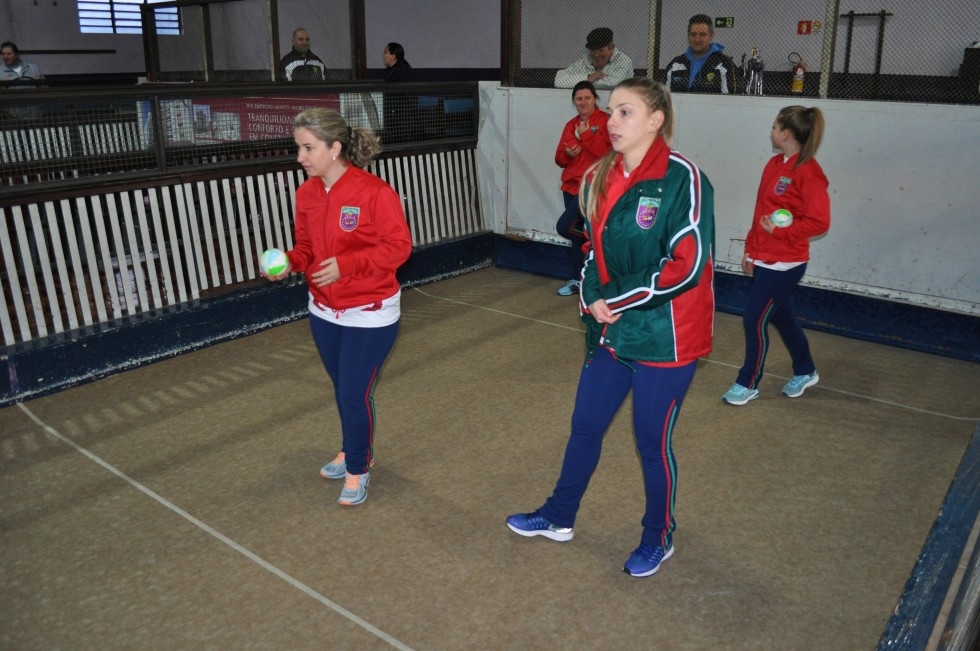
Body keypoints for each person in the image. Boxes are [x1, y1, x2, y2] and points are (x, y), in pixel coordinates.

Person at [507, 78, 715, 578]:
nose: (611, 121)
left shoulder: (684, 178)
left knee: (650, 442)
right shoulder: (603, 174)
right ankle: (559, 516)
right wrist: (589, 292)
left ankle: (657, 536)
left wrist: (613, 299)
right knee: (585, 425)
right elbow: (594, 252)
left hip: (666, 336)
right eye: (612, 112)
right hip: (613, 331)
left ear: (656, 119)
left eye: (624, 112)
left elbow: (686, 264)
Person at [261, 108, 412, 505]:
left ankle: (358, 469)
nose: (300, 157)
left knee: (352, 393)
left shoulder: (376, 193)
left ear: (335, 148)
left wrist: (347, 265)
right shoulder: (306, 193)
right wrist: (291, 264)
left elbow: (399, 248)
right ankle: (354, 447)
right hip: (324, 311)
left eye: (308, 148)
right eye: (299, 148)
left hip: (371, 312)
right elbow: (307, 249)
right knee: (345, 389)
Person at [722, 106, 830, 406]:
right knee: (781, 317)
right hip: (764, 257)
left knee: (753, 319)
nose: (770, 131)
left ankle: (748, 381)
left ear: (786, 133)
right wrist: (750, 249)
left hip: (787, 262)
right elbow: (761, 211)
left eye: (774, 126)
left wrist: (782, 233)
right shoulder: (773, 164)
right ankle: (806, 369)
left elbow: (819, 222)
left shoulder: (809, 172)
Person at [553, 80, 611, 296]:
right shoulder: (570, 125)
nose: (583, 102)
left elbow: (608, 156)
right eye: (579, 99)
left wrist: (586, 136)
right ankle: (579, 280)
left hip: (592, 188)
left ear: (595, 99)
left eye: (587, 97)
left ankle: (598, 244)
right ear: (574, 102)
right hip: (570, 187)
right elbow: (559, 158)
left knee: (563, 227)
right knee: (576, 236)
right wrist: (568, 154)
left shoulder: (606, 122)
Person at [664, 15, 737, 94]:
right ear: (688, 35)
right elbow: (664, 98)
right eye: (693, 34)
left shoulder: (724, 64)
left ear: (711, 35)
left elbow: (732, 99)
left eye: (702, 34)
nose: (697, 39)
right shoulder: (675, 65)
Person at [554, 27, 634, 90]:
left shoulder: (623, 61)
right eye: (593, 50)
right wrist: (588, 78)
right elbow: (559, 80)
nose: (596, 54)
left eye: (600, 50)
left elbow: (614, 83)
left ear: (611, 48)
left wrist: (583, 83)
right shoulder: (585, 60)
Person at [381, 42, 415, 143]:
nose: (383, 55)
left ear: (393, 56)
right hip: (391, 115)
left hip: (401, 118)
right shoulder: (389, 70)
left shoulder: (404, 71)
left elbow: (405, 96)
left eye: (386, 52)